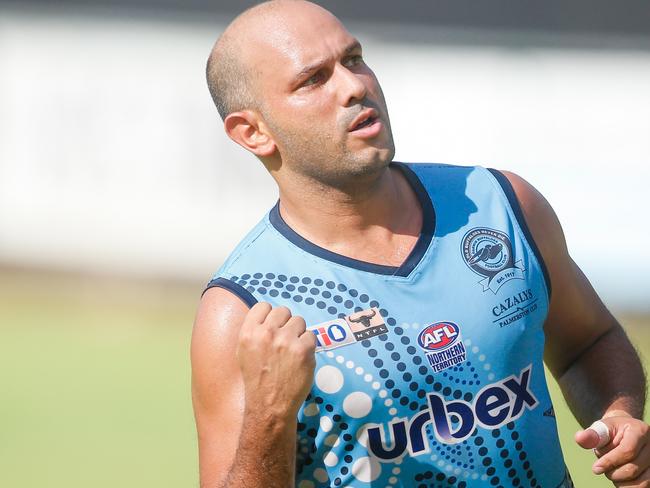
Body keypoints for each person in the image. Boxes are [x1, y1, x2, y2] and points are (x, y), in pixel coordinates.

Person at [190, 1, 649, 487]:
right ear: (252, 132)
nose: (354, 86)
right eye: (314, 80)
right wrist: (269, 417)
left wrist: (618, 415)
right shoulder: (242, 311)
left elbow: (587, 342)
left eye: (353, 58)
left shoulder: (501, 204)